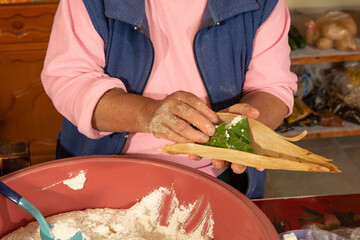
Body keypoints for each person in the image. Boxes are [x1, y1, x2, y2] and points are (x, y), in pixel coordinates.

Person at [41, 0, 297, 199]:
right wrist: (147, 114)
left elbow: (272, 87)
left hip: (217, 179)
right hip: (104, 177)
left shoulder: (263, 3)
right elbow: (68, 79)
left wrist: (246, 125)